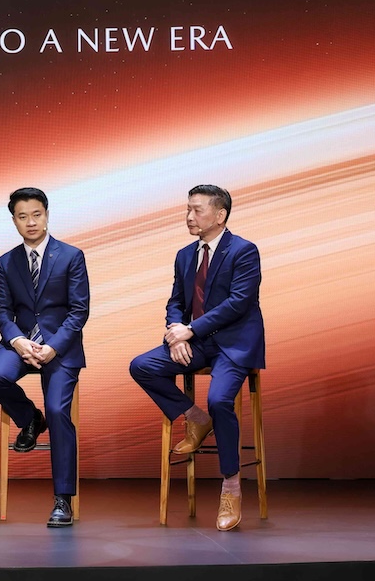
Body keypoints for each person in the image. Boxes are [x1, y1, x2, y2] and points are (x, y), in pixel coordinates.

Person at [129, 184, 265, 531]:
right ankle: (195, 417)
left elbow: (238, 303)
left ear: (220, 215)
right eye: (187, 209)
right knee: (142, 366)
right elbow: (176, 300)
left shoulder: (244, 251)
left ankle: (231, 485)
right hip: (197, 341)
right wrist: (175, 331)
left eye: (197, 210)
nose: (189, 216)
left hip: (234, 343)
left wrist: (189, 330)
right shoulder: (185, 255)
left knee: (220, 400)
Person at [0, 187, 90, 528]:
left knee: (58, 410)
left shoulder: (71, 256)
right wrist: (17, 341)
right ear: (14, 221)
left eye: (36, 215)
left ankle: (63, 499)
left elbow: (79, 310)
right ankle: (30, 418)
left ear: (46, 215)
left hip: (60, 345)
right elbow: (2, 311)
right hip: (21, 341)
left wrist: (53, 347)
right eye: (22, 216)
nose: (30, 222)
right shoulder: (7, 261)